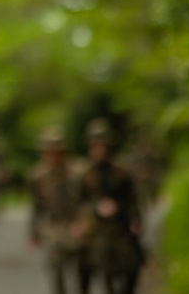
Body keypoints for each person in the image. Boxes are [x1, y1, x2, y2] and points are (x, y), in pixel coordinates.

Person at [74, 119, 143, 294]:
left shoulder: (121, 170)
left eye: (102, 145)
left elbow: (132, 197)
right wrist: (94, 209)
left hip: (119, 225)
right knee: (86, 265)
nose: (98, 149)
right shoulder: (83, 173)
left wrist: (135, 219)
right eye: (95, 145)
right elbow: (79, 201)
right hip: (95, 229)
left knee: (134, 263)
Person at [27, 126, 80, 294]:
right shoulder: (37, 176)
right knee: (55, 267)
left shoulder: (76, 172)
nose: (51, 155)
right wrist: (33, 234)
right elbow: (36, 207)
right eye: (47, 151)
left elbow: (86, 201)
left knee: (80, 268)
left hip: (76, 224)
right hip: (53, 226)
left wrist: (83, 223)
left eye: (55, 150)